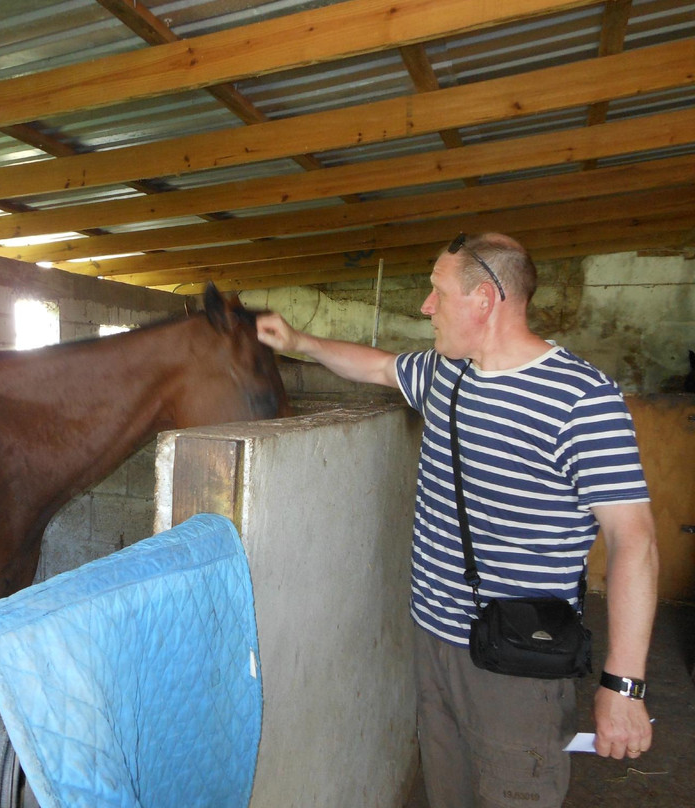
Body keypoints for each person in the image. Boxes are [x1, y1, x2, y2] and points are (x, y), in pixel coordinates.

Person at [256, 233, 658, 807]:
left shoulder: (582, 399)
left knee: (515, 791)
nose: (424, 307)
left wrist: (624, 685)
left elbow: (633, 540)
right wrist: (297, 340)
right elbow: (375, 366)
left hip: (518, 660)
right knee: (448, 792)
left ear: (484, 300)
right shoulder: (449, 374)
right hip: (434, 637)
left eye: (435, 291)